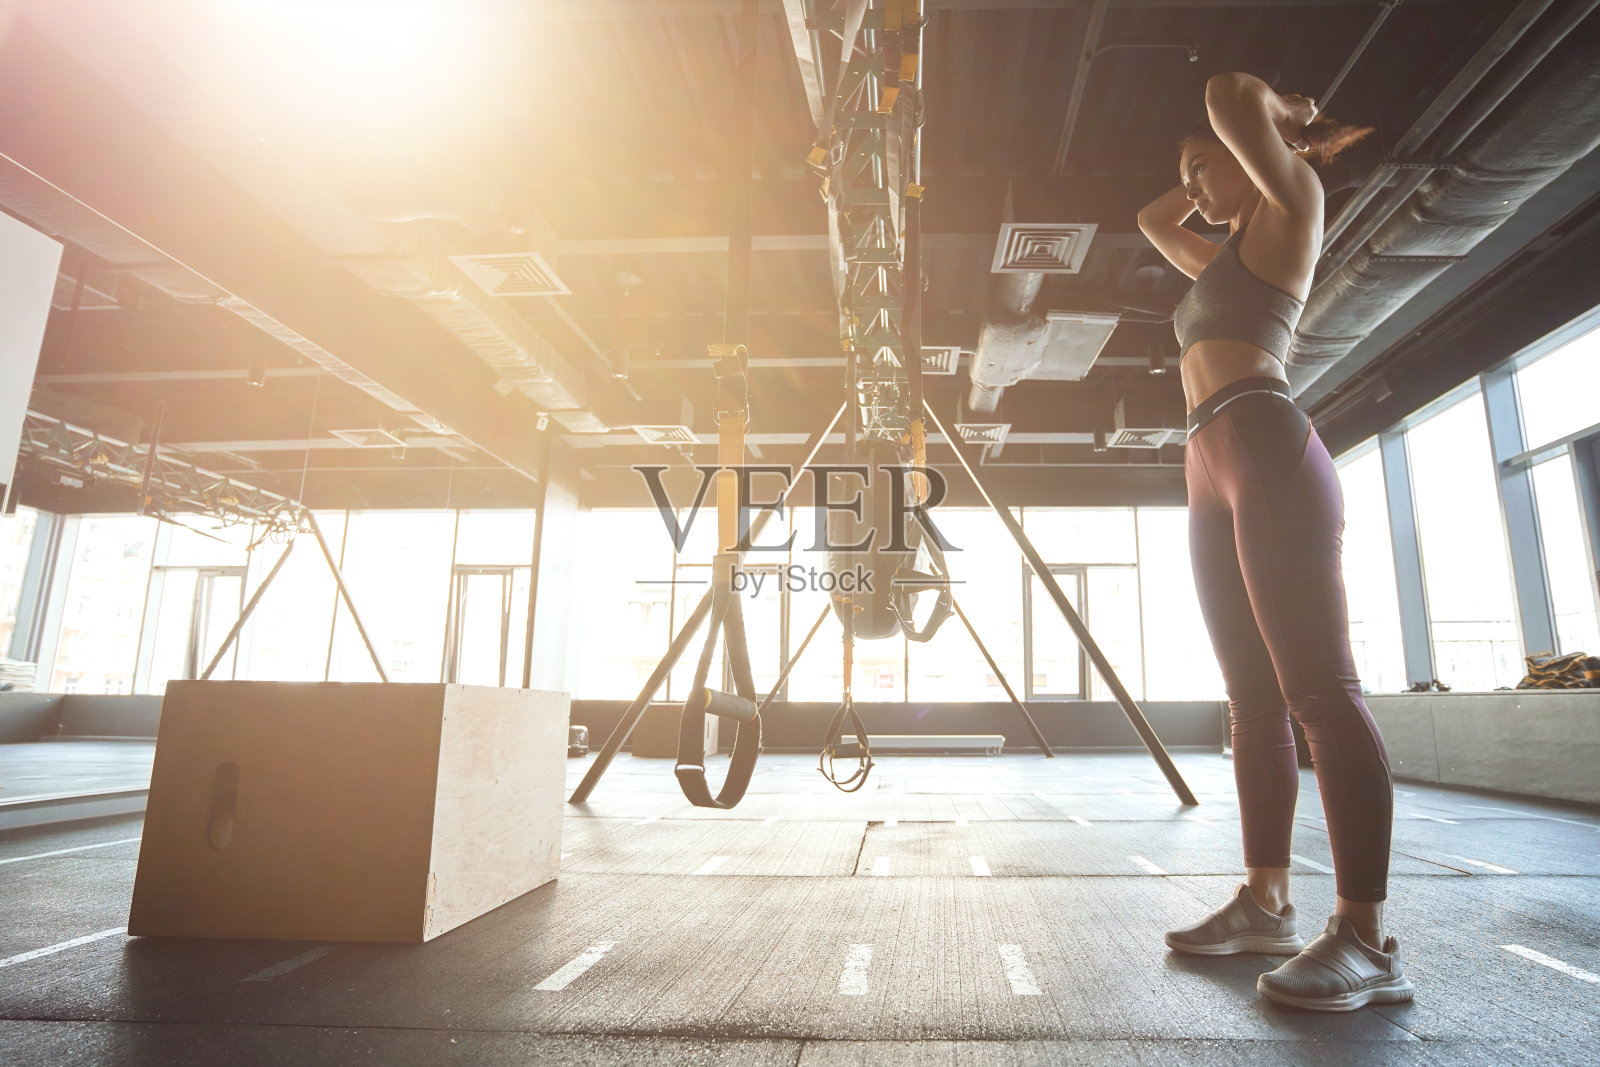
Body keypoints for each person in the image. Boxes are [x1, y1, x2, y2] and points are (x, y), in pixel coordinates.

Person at [1136, 72, 1413, 1012]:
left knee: (1320, 693)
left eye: (1202, 166)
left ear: (1251, 154)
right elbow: (1149, 219)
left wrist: (1283, 128)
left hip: (1265, 445)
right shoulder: (1221, 259)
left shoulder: (1293, 200)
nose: (1191, 186)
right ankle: (1267, 901)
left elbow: (1224, 91)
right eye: (1186, 172)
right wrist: (1201, 178)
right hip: (1206, 460)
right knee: (1251, 701)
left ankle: (1367, 938)